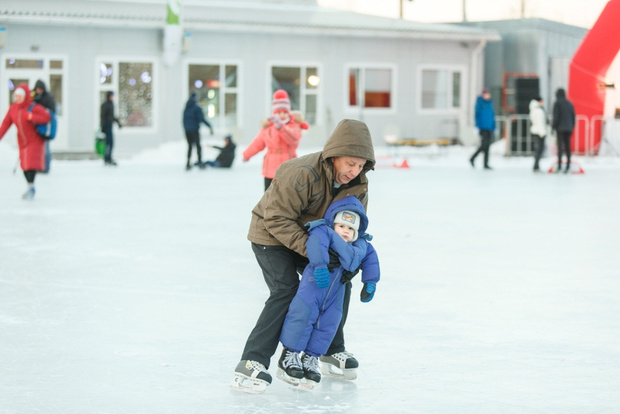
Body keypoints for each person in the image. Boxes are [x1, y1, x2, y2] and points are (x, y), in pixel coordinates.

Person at [230, 118, 376, 395]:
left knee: (337, 284)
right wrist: (315, 250)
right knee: (287, 290)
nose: (353, 171)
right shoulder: (301, 172)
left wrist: (350, 260)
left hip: (315, 242)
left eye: (360, 165)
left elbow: (355, 227)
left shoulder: (358, 184)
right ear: (334, 156)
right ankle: (252, 361)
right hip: (270, 236)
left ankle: (331, 351)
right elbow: (276, 218)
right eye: (349, 163)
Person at [277, 196, 380, 389]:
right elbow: (316, 244)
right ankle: (290, 354)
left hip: (336, 294)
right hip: (314, 284)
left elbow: (371, 261)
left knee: (329, 324)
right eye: (342, 226)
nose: (346, 231)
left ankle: (311, 358)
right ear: (334, 224)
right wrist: (320, 266)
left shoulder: (361, 245)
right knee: (302, 317)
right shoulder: (323, 230)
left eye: (351, 229)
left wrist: (370, 282)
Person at [242, 89, 308, 191]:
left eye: (284, 112)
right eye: (279, 112)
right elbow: (258, 143)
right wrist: (247, 154)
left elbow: (293, 139)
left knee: (287, 194)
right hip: (270, 168)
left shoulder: (294, 126)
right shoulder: (268, 127)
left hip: (288, 166)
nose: (282, 115)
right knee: (269, 195)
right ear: (274, 113)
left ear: (288, 112)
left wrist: (281, 127)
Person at [0, 84, 51, 199]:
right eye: (16, 96)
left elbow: (46, 117)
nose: (18, 98)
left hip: (34, 140)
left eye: (20, 96)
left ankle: (31, 187)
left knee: (30, 164)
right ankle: (30, 186)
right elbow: (5, 124)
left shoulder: (33, 107)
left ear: (25, 96)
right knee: (24, 165)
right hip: (23, 141)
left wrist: (32, 117)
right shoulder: (13, 109)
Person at [183, 92, 213, 171]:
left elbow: (184, 119)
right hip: (194, 130)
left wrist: (186, 128)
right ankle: (200, 162)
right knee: (198, 146)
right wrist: (209, 126)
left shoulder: (186, 108)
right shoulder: (196, 108)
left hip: (187, 130)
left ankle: (188, 163)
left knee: (190, 146)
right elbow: (201, 118)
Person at [33, 79, 56, 173]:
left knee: (45, 148)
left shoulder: (48, 98)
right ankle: (37, 166)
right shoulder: (33, 96)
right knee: (36, 149)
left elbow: (52, 112)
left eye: (40, 89)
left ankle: (46, 167)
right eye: (37, 89)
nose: (39, 91)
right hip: (35, 126)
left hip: (45, 127)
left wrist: (42, 112)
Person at [469, 88, 496, 170]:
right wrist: (477, 126)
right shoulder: (480, 103)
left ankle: (486, 163)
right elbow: (477, 115)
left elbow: (492, 116)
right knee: (484, 145)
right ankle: (473, 158)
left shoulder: (490, 103)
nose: (487, 96)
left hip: (489, 127)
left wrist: (494, 126)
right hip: (482, 127)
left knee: (488, 146)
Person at [552, 88, 576, 174]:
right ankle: (568, 165)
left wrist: (553, 127)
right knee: (568, 147)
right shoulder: (570, 104)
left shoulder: (557, 103)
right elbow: (573, 117)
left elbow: (556, 117)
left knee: (560, 147)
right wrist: (572, 127)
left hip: (560, 129)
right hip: (568, 128)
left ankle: (559, 166)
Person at [100, 91, 122, 166]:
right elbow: (103, 117)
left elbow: (111, 117)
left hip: (110, 126)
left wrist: (118, 122)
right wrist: (103, 127)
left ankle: (109, 157)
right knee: (108, 143)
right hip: (106, 126)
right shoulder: (106, 105)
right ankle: (107, 158)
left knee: (110, 143)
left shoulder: (111, 104)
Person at [529, 96, 547, 173]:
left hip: (536, 131)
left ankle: (536, 166)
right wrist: (542, 133)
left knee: (538, 150)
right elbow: (540, 123)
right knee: (539, 150)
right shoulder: (538, 110)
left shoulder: (534, 109)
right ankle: (536, 166)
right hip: (539, 132)